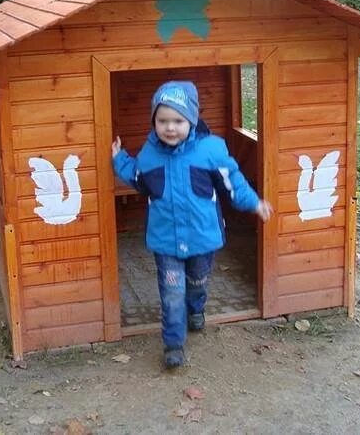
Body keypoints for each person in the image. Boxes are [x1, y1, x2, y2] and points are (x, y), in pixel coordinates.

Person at [111, 80, 272, 369]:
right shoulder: (149, 155)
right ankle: (173, 344)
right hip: (166, 242)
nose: (170, 128)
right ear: (154, 122)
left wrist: (253, 203)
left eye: (178, 120)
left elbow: (232, 181)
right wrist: (119, 159)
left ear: (192, 121)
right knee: (172, 292)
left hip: (202, 237)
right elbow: (138, 178)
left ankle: (196, 308)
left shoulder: (211, 150)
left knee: (197, 281)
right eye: (162, 121)